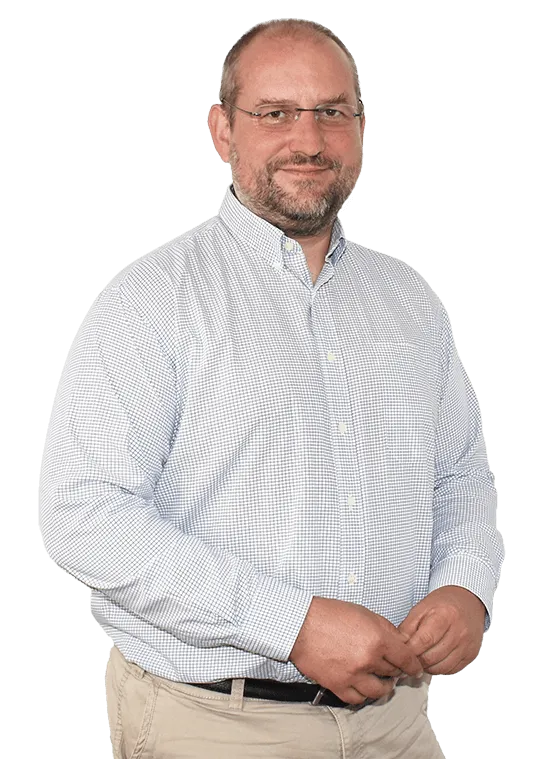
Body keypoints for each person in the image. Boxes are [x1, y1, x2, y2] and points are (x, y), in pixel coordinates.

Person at [39, 18, 503, 759]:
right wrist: (292, 625)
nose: (308, 140)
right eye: (276, 113)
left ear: (361, 126)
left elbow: (459, 475)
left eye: (331, 111)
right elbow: (82, 514)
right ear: (222, 129)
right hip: (216, 725)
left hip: (398, 724)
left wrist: (467, 584)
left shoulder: (411, 300)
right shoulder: (149, 298)